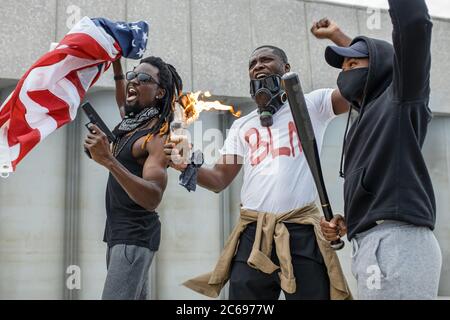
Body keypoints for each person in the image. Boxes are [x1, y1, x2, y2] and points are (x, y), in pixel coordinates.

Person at [165, 45, 352, 300]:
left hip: (300, 230)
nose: (258, 66)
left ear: (286, 69)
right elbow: (220, 178)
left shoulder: (313, 104)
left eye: (266, 60)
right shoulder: (241, 125)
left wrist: (354, 57)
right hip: (253, 232)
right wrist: (186, 165)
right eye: (252, 63)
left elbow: (357, 91)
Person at [315, 0, 442, 300]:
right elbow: (373, 64)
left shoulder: (402, 98)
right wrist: (352, 220)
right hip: (371, 244)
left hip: (397, 243)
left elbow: (414, 26)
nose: (345, 71)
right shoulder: (364, 120)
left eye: (353, 63)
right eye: (343, 66)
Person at [84, 56, 183, 300]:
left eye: (143, 79)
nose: (133, 82)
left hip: (133, 236)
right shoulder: (130, 123)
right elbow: (123, 97)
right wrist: (116, 61)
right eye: (132, 76)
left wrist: (108, 159)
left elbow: (152, 197)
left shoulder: (156, 138)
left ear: (160, 93)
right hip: (119, 234)